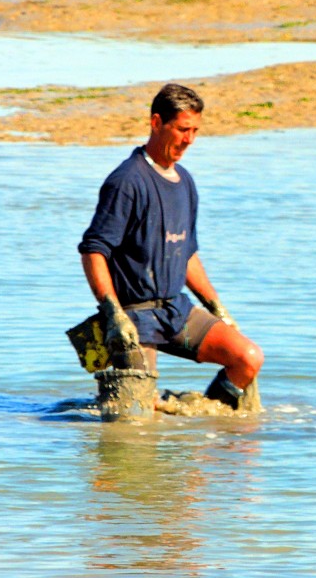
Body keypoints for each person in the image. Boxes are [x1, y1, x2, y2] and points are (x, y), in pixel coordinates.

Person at [78, 83, 263, 409]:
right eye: (181, 129)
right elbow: (93, 250)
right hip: (132, 317)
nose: (189, 139)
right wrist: (112, 314)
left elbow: (186, 253)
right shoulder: (126, 181)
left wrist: (216, 306)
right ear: (156, 122)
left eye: (194, 130)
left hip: (176, 310)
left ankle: (208, 425)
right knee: (134, 418)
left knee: (247, 357)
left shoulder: (186, 182)